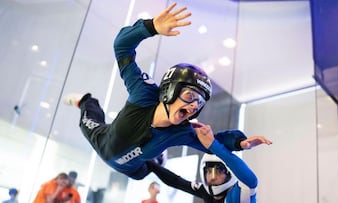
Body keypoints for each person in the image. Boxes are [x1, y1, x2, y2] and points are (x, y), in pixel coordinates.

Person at [64, 2, 270, 180]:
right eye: (190, 96)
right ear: (170, 91)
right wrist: (150, 27)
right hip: (102, 142)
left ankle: (156, 159)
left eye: (198, 104)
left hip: (131, 167)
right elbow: (121, 47)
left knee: (144, 173)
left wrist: (240, 142)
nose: (192, 107)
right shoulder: (143, 93)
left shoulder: (182, 132)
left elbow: (213, 141)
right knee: (88, 115)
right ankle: (85, 100)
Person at [147, 123, 271, 203]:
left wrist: (213, 145)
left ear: (230, 172)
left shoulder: (236, 196)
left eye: (219, 170)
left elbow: (250, 182)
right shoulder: (206, 192)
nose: (212, 176)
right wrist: (149, 163)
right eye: (208, 170)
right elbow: (176, 181)